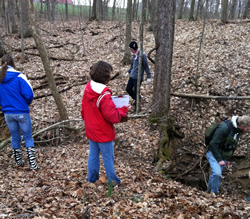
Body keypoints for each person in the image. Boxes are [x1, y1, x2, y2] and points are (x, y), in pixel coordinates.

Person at [81, 61, 131, 185]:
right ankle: (112, 181)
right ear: (106, 76)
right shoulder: (104, 94)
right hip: (103, 131)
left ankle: (91, 179)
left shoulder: (88, 88)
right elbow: (111, 115)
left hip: (91, 128)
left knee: (93, 154)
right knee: (108, 157)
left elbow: (83, 111)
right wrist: (124, 110)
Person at [0, 54, 40, 170]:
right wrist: (25, 102)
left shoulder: (0, 78)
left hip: (8, 113)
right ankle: (33, 165)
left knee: (15, 137)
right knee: (28, 137)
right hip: (21, 111)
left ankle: (18, 162)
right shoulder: (19, 76)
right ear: (13, 64)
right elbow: (29, 94)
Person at [206, 115, 250, 195]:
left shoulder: (237, 131)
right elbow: (213, 144)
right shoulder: (224, 128)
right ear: (241, 126)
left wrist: (228, 159)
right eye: (247, 129)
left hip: (224, 156)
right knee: (217, 173)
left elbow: (232, 145)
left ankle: (209, 194)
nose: (248, 131)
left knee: (215, 176)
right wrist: (219, 160)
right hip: (213, 153)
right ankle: (214, 194)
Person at [125, 41, 151, 112]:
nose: (130, 50)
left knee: (136, 91)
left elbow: (146, 66)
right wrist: (128, 71)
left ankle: (137, 108)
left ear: (133, 49)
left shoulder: (142, 55)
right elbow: (132, 66)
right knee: (128, 89)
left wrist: (148, 76)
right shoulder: (134, 55)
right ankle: (138, 99)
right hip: (132, 76)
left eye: (130, 48)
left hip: (138, 77)